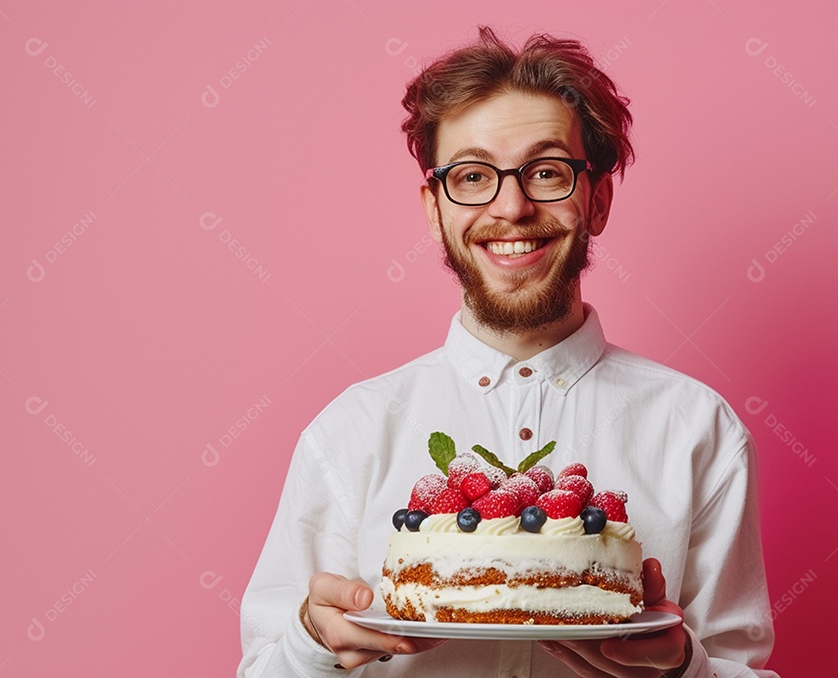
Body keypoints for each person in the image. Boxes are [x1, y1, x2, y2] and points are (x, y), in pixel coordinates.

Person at [239, 27, 777, 677]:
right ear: (435, 209)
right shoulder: (347, 434)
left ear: (597, 200)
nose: (512, 206)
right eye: (472, 176)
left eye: (546, 171)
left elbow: (740, 667)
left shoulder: (699, 429)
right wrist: (309, 643)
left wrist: (684, 668)